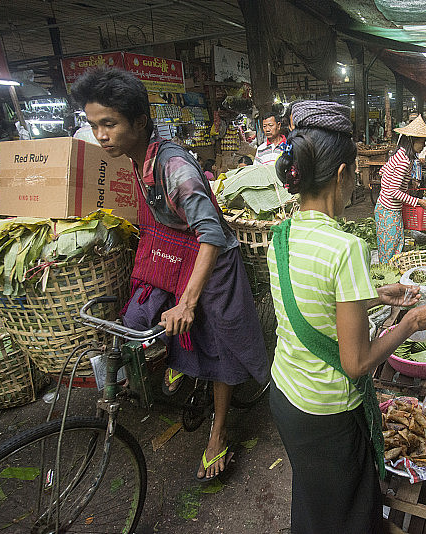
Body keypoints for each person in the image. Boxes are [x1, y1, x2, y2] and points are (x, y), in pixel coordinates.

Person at [71, 68, 268, 482]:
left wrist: (188, 301)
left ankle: (218, 434)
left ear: (140, 120)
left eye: (110, 124)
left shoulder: (175, 167)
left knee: (219, 349)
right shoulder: (136, 159)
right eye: (94, 126)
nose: (101, 135)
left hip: (213, 262)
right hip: (180, 254)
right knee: (164, 325)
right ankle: (183, 363)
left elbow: (212, 232)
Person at [268, 100, 426, 533]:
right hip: (328, 415)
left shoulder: (282, 234)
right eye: (357, 176)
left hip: (287, 396)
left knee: (313, 502)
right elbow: (357, 363)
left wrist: (374, 295)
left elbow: (312, 302)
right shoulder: (346, 248)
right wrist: (409, 324)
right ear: (344, 175)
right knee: (346, 516)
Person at [375, 115, 426, 263]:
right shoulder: (403, 161)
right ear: (412, 141)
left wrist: (407, 183)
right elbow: (393, 192)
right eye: (422, 142)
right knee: (390, 252)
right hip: (388, 211)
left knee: (394, 247)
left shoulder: (402, 156)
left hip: (388, 208)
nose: (423, 146)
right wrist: (419, 202)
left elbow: (383, 172)